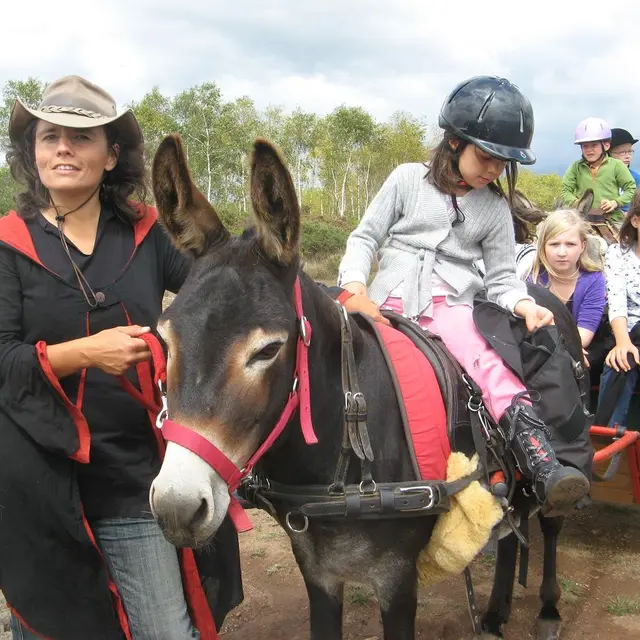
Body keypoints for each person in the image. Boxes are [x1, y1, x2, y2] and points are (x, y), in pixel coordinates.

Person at [0, 75, 242, 640]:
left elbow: (221, 288)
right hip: (38, 485)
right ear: (31, 154)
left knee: (166, 632)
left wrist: (326, 294)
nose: (62, 147)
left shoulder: (147, 232)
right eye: (49, 136)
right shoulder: (7, 244)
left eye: (81, 138)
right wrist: (86, 353)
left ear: (111, 156)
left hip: (134, 476)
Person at [337, 75, 590, 516]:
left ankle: (540, 461)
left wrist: (526, 304)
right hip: (386, 299)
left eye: (503, 163)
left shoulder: (494, 209)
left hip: (450, 304)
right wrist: (354, 285)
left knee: (485, 360)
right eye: (487, 157)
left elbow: (502, 280)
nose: (493, 170)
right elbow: (364, 238)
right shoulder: (406, 181)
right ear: (454, 142)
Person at [526, 209, 606, 364]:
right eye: (554, 244)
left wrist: (569, 350)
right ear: (543, 246)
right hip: (541, 348)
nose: (562, 252)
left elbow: (584, 333)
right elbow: (531, 328)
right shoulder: (533, 280)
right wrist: (563, 349)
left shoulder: (594, 280)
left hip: (582, 346)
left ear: (583, 246)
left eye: (570, 244)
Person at [598, 199, 640, 428]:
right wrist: (622, 343)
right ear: (635, 221)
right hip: (629, 330)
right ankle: (607, 435)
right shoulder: (618, 254)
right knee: (621, 361)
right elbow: (617, 300)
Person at [561, 118, 636, 228]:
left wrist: (615, 202)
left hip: (611, 219)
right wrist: (576, 203)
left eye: (594, 145)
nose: (589, 150)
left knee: (623, 243)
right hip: (582, 219)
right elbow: (565, 190)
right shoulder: (575, 167)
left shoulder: (617, 165)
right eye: (585, 146)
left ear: (605, 145)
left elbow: (631, 188)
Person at [609, 127, 640, 212]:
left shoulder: (636, 178)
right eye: (622, 152)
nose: (628, 156)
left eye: (630, 151)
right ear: (608, 154)